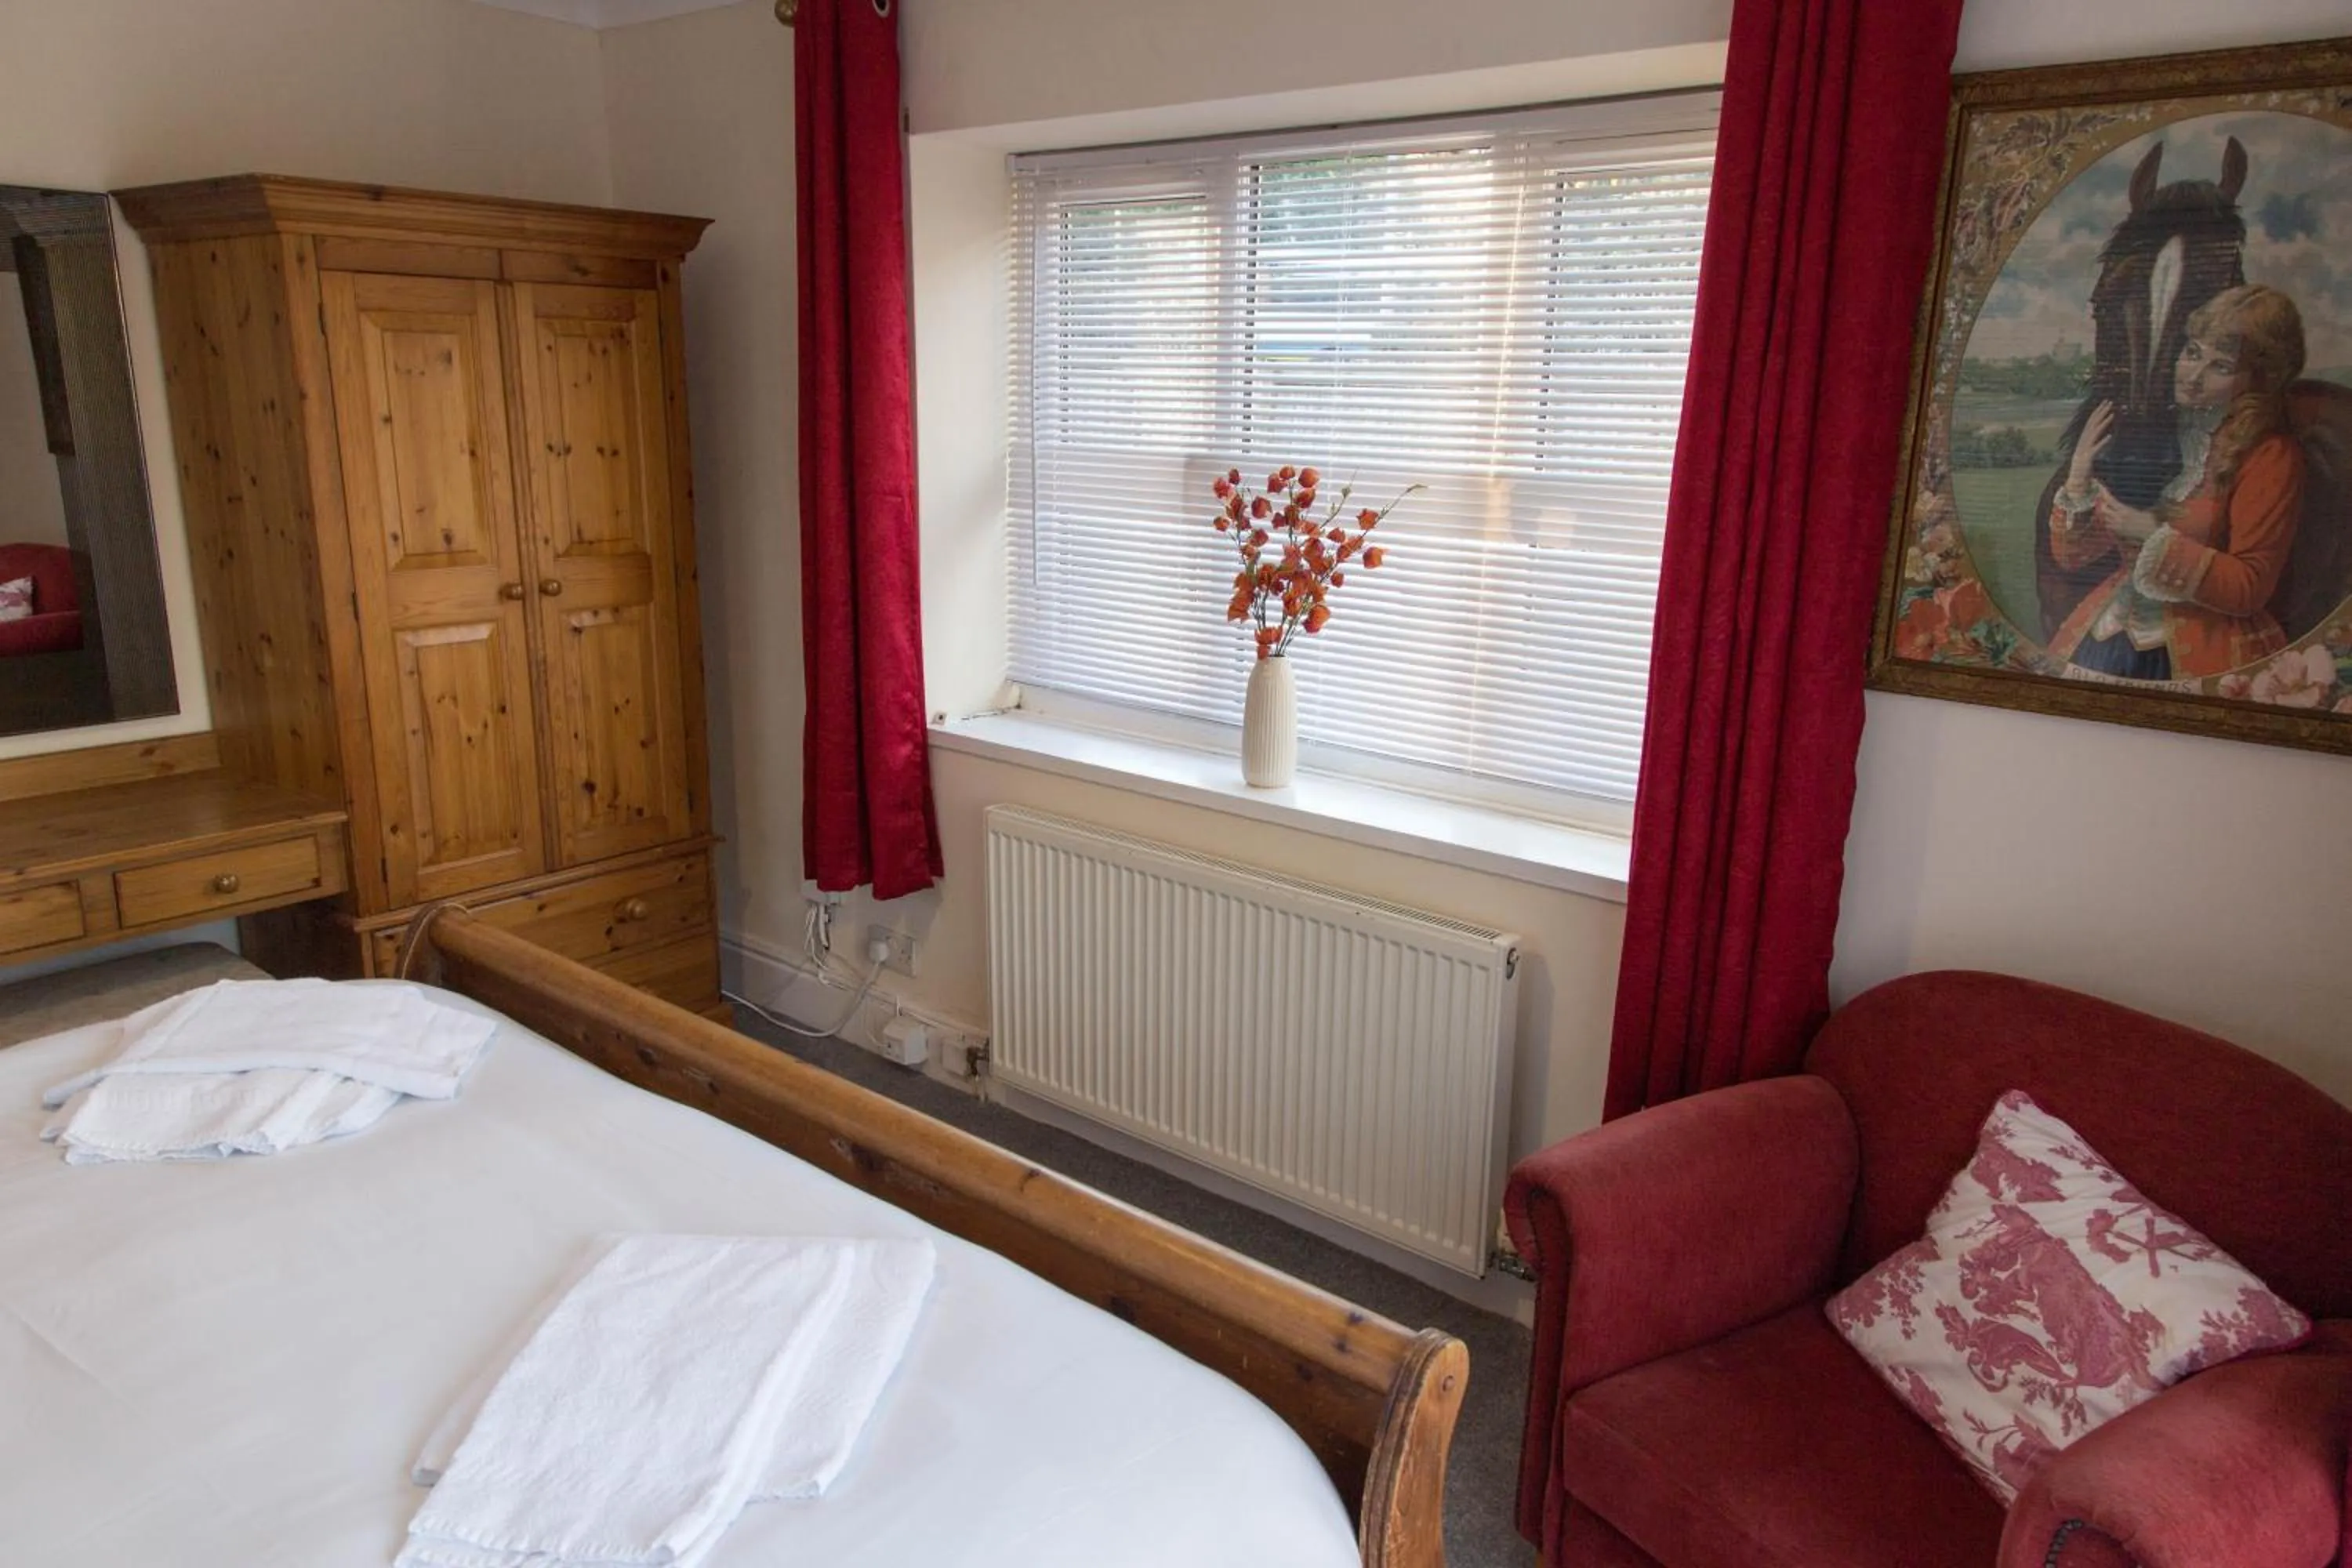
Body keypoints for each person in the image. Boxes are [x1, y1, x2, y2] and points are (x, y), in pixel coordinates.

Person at [2045, 284, 2309, 681]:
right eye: (2192, 353)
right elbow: (2073, 557)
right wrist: (2080, 478)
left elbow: (2250, 587)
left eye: (2221, 367)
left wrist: (2151, 533)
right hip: (2110, 629)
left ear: (2258, 380)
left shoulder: (2270, 454)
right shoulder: (2162, 430)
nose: (2193, 377)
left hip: (2207, 643)